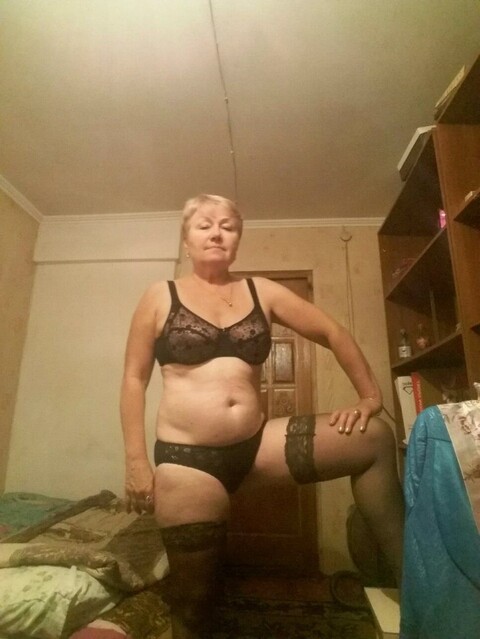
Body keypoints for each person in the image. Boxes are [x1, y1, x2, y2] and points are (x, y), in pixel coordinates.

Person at [120, 193, 405, 639]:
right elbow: (134, 379)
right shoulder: (160, 296)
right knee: (195, 604)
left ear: (237, 240)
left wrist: (369, 396)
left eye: (228, 226)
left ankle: (412, 579)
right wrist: (137, 462)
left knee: (375, 439)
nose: (217, 233)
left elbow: (332, 331)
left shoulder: (262, 291)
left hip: (257, 446)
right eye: (205, 225)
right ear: (187, 240)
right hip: (187, 461)